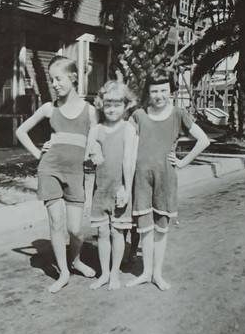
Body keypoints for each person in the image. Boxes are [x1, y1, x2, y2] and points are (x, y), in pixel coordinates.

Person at [16, 55, 97, 293]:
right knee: (56, 222)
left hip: (75, 174)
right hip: (49, 170)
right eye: (52, 79)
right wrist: (38, 154)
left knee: (75, 229)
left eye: (58, 78)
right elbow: (22, 131)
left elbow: (97, 140)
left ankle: (76, 260)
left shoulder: (90, 111)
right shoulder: (49, 109)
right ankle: (63, 273)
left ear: (73, 78)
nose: (54, 84)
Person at [126, 68, 210, 291]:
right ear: (149, 92)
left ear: (171, 91)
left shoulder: (178, 115)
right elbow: (125, 143)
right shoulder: (139, 115)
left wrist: (183, 162)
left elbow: (203, 140)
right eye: (154, 91)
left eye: (164, 90)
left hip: (165, 181)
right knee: (144, 228)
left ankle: (157, 274)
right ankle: (145, 273)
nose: (159, 95)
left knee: (161, 229)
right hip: (141, 180)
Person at [84, 80, 137, 290]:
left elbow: (129, 161)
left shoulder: (128, 129)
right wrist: (93, 152)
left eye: (116, 105)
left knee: (117, 233)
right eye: (107, 105)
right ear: (101, 105)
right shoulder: (96, 130)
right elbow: (89, 155)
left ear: (125, 106)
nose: (112, 109)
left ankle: (115, 273)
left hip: (120, 188)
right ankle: (104, 273)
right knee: (103, 233)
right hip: (100, 190)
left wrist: (126, 187)